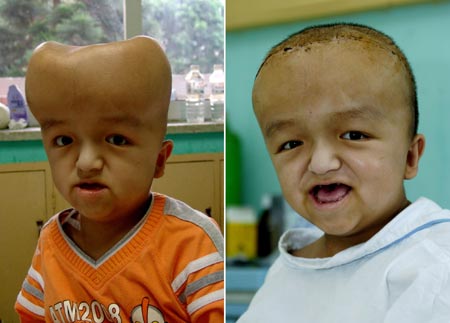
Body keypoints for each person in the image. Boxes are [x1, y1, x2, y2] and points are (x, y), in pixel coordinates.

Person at [237, 23, 450, 322]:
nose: (320, 163)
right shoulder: (285, 270)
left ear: (410, 157)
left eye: (353, 135)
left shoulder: (434, 267)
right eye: (291, 143)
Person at [15, 36, 224, 323]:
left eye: (116, 139)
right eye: (64, 140)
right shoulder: (50, 243)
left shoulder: (191, 245)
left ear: (159, 161)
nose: (86, 163)